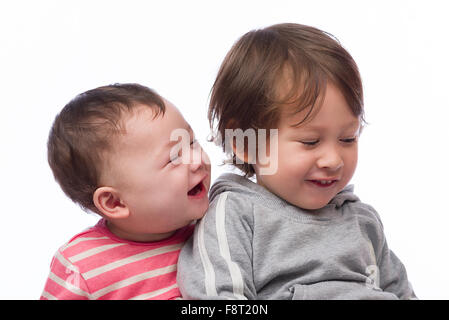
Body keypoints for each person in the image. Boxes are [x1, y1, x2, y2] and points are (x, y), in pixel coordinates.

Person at [177, 23, 416, 299]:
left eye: (348, 138)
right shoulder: (235, 214)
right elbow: (218, 295)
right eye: (310, 142)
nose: (333, 159)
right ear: (245, 143)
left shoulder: (363, 221)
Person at [41, 83, 211, 300]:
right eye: (174, 158)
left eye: (191, 142)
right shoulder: (81, 265)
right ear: (114, 202)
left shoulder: (219, 225)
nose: (197, 161)